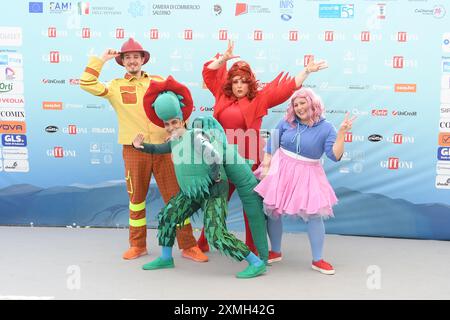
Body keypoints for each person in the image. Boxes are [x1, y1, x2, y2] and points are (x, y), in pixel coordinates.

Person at [80, 38, 206, 262]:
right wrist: (101, 59)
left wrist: (180, 131)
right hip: (134, 150)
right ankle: (137, 245)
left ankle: (188, 246)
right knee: (136, 199)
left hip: (164, 149)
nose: (132, 61)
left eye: (136, 57)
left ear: (142, 59)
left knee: (177, 199)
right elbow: (86, 83)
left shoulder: (158, 81)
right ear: (122, 61)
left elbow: (177, 106)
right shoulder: (115, 86)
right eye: (127, 57)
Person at [198, 40, 327, 254]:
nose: (239, 85)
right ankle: (204, 241)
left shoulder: (259, 99)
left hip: (249, 160)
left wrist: (306, 72)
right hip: (222, 160)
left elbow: (286, 90)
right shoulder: (222, 95)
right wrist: (222, 60)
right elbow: (209, 74)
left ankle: (254, 247)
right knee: (216, 203)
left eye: (244, 81)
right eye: (236, 81)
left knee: (252, 207)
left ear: (250, 83)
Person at [134, 76, 267, 278]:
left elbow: (213, 156)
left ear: (182, 120)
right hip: (192, 192)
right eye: (167, 124)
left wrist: (215, 178)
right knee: (168, 216)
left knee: (215, 235)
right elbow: (159, 148)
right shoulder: (174, 140)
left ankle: (255, 262)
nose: (170, 126)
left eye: (174, 122)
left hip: (213, 190)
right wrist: (141, 146)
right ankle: (166, 257)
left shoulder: (195, 135)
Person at [254, 88, 356, 274]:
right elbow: (272, 144)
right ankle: (275, 251)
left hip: (308, 173)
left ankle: (318, 260)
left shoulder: (327, 128)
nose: (299, 107)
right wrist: (267, 167)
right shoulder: (286, 122)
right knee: (273, 211)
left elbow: (335, 155)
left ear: (313, 103)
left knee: (314, 215)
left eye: (303, 103)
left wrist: (341, 134)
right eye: (296, 104)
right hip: (281, 168)